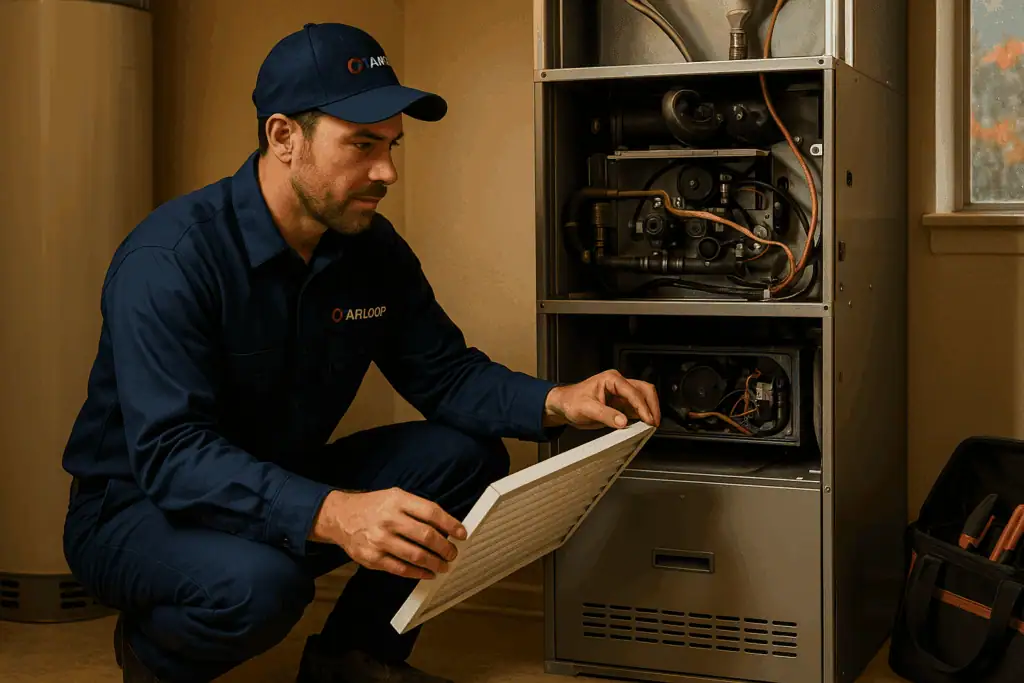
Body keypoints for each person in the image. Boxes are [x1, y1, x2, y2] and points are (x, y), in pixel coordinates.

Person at [61, 22, 661, 683]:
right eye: (362, 144)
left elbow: (446, 374)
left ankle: (352, 656)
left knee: (466, 457)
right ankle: (153, 654)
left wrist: (559, 400)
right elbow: (172, 456)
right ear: (284, 137)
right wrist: (335, 512)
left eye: (393, 144)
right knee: (265, 585)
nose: (388, 171)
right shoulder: (171, 259)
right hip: (137, 507)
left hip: (276, 477)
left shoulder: (370, 248)